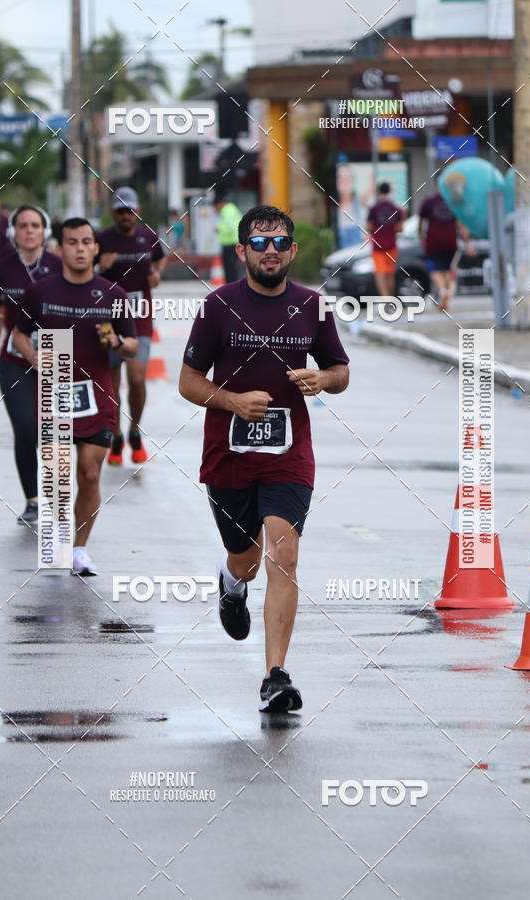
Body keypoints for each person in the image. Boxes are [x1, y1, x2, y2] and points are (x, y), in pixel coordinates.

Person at [179, 205, 350, 712]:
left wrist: (324, 380)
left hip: (289, 454)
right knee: (247, 560)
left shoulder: (314, 307)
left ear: (293, 250)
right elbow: (189, 382)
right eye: (259, 242)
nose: (270, 251)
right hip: (228, 455)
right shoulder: (217, 307)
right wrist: (233, 401)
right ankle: (232, 583)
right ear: (242, 251)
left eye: (279, 243)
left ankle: (275, 676)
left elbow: (340, 370)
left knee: (284, 553)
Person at [13, 217, 138, 575]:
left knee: (89, 475)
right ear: (60, 248)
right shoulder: (41, 292)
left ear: (96, 248)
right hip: (55, 387)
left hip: (97, 395)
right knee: (57, 474)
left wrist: (115, 342)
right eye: (72, 242)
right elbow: (19, 333)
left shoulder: (112, 295)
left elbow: (132, 344)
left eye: (86, 242)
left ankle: (80, 550)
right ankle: (57, 536)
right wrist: (33, 357)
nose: (80, 248)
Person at [0, 205, 62, 525]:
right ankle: (32, 499)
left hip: (57, 358)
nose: (30, 230)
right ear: (13, 231)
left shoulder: (58, 265)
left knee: (54, 431)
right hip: (14, 360)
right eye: (23, 225)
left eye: (36, 225)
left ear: (45, 231)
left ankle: (58, 498)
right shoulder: (2, 267)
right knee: (26, 428)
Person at [97, 187, 166, 465]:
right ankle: (115, 436)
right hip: (107, 321)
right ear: (113, 212)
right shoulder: (101, 240)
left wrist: (157, 275)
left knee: (137, 379)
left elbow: (160, 258)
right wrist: (100, 267)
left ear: (137, 211)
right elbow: (83, 275)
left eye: (130, 210)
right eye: (120, 210)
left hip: (139, 319)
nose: (125, 215)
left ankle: (134, 430)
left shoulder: (148, 237)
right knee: (111, 386)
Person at [418, 186, 474, 311]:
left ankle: (443, 291)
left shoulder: (428, 202)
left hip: (433, 241)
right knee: (447, 269)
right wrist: (468, 244)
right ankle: (445, 299)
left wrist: (421, 236)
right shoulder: (453, 202)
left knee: (434, 269)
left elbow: (421, 222)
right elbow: (461, 225)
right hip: (450, 241)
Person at [366, 182, 405, 297]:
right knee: (389, 273)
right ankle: (391, 298)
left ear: (378, 192)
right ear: (389, 192)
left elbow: (368, 227)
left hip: (378, 246)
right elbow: (400, 228)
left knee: (380, 272)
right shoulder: (395, 208)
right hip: (392, 245)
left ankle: (385, 298)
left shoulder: (374, 208)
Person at [213, 193, 242, 282]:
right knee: (230, 267)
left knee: (230, 268)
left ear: (220, 204)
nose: (215, 209)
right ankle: (231, 285)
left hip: (231, 243)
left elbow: (233, 227)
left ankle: (231, 286)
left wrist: (219, 229)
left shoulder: (228, 211)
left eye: (215, 207)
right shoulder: (230, 210)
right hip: (230, 243)